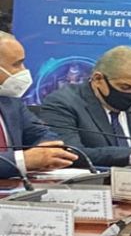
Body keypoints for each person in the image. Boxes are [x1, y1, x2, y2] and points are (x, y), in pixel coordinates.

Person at [0, 32, 78, 177]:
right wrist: (23, 160)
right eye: (16, 64)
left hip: (16, 187)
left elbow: (42, 134)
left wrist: (48, 151)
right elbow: (24, 160)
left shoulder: (10, 102)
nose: (24, 70)